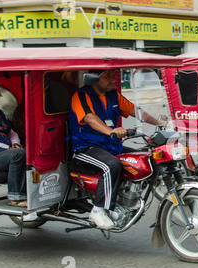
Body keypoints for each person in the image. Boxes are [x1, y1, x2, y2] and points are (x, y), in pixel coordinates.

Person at [68, 69, 162, 229]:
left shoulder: (114, 95)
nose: (112, 80)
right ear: (94, 78)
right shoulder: (82, 95)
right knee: (112, 165)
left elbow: (136, 111)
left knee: (148, 158)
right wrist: (110, 130)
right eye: (107, 76)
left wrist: (160, 123)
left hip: (111, 146)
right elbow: (89, 117)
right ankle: (98, 210)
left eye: (113, 75)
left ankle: (131, 198)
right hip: (85, 148)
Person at [0, 103, 27, 206]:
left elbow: (11, 133)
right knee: (17, 154)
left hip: (5, 152)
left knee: (29, 151)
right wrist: (8, 148)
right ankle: (16, 198)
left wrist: (15, 143)